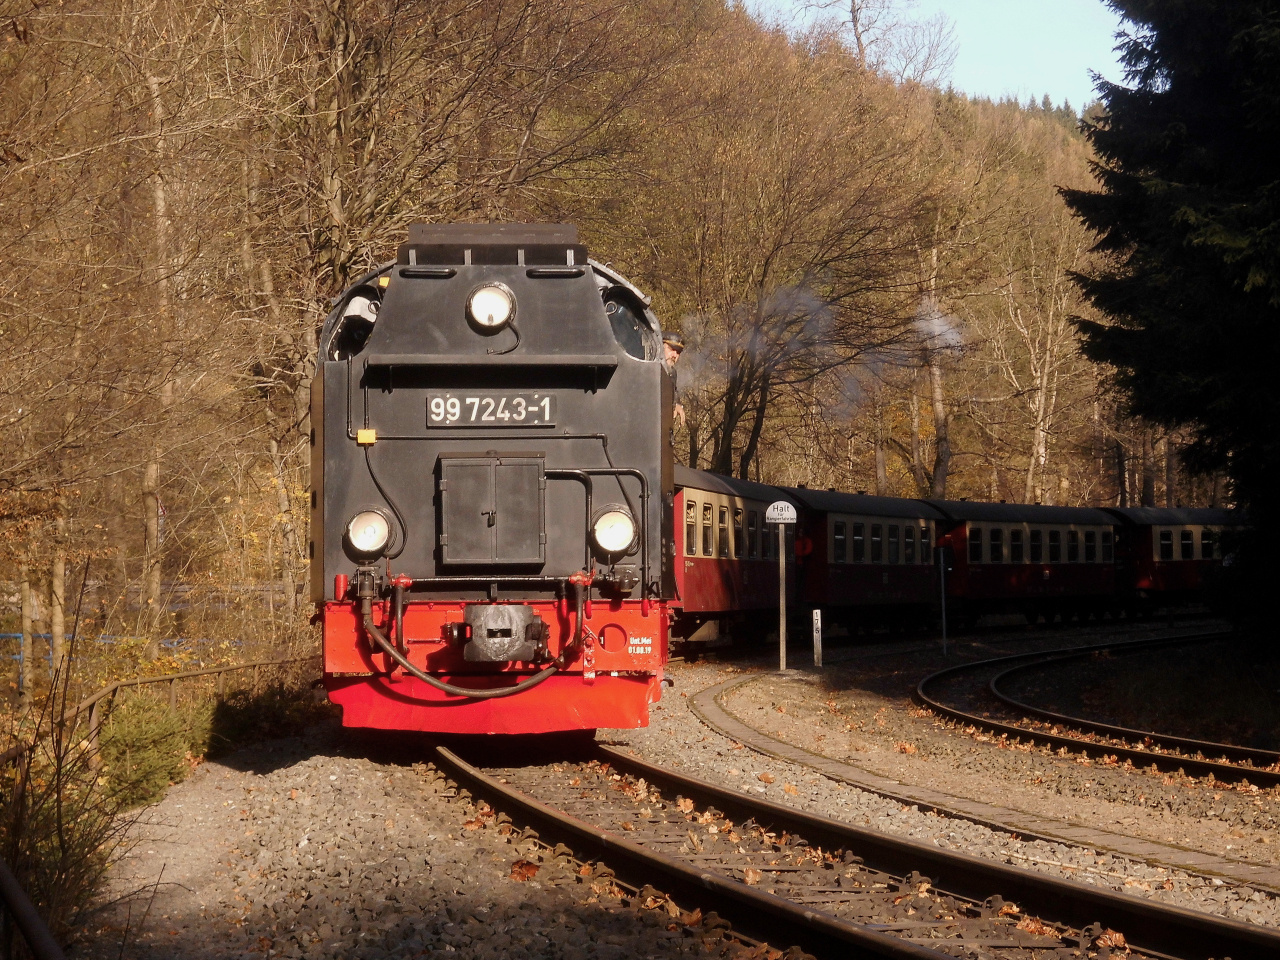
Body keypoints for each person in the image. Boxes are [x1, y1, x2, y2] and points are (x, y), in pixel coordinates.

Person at [662, 332, 686, 426]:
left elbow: (673, 390)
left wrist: (677, 403)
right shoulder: (645, 366)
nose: (674, 355)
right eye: (671, 349)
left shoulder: (672, 373)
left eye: (678, 352)